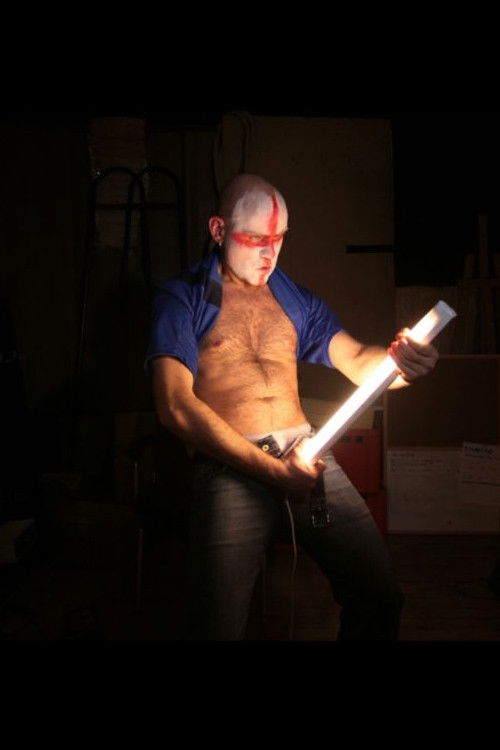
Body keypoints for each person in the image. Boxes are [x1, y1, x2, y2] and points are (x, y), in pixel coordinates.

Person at [145, 173, 438, 640]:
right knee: (216, 626)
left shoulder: (294, 298)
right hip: (230, 467)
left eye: (279, 239)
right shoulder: (182, 297)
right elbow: (174, 406)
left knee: (379, 597)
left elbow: (357, 360)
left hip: (307, 455)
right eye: (255, 239)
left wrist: (401, 365)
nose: (269, 254)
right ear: (218, 230)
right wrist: (272, 472)